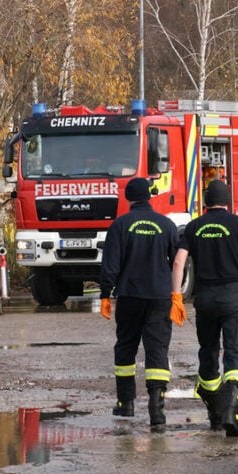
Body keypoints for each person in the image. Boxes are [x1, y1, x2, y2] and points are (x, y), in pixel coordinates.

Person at [171, 180, 238, 437]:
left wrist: (177, 296)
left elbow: (179, 261)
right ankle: (230, 411)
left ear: (205, 202)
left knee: (209, 352)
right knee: (235, 354)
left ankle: (215, 412)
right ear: (227, 201)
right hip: (234, 297)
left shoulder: (194, 227)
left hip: (205, 298)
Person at [99, 178, 183, 427]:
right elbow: (177, 260)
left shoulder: (120, 225)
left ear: (128, 198)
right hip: (160, 296)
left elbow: (111, 264)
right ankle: (156, 409)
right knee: (157, 349)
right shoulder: (166, 225)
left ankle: (126, 404)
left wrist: (105, 293)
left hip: (130, 295)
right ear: (149, 196)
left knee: (126, 347)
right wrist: (175, 293)